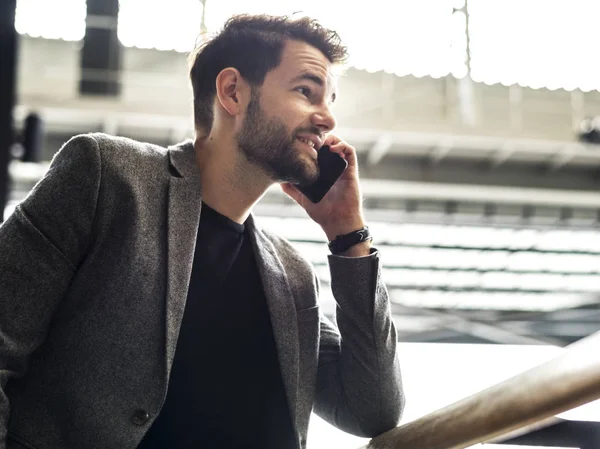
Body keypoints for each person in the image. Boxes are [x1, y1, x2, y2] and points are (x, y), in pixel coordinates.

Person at [0, 14, 404, 449]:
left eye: (330, 100)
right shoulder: (108, 177)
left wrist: (348, 236)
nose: (326, 119)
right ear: (232, 91)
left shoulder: (293, 277)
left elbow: (372, 411)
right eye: (306, 91)